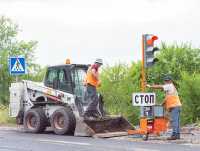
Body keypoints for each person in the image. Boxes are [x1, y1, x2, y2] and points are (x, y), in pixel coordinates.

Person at [146, 75, 182, 140]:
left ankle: (174, 135)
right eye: (165, 81)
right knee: (177, 121)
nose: (166, 82)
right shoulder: (170, 89)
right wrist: (161, 105)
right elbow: (166, 99)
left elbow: (160, 87)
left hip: (175, 106)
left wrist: (151, 86)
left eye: (167, 80)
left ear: (170, 81)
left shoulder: (170, 86)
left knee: (175, 121)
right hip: (176, 106)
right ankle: (177, 135)